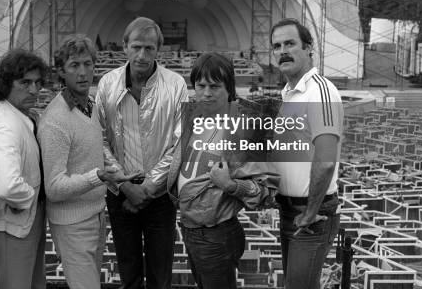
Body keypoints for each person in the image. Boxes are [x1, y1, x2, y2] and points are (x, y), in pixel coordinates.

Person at [167, 53, 278, 289]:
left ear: (229, 89)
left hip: (217, 233)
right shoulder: (189, 121)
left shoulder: (245, 130)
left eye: (215, 86)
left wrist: (230, 185)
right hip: (191, 228)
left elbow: (265, 193)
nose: (206, 93)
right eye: (201, 85)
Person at [96, 17, 190, 289]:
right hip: (120, 194)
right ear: (124, 47)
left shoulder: (175, 85)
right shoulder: (106, 84)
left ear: (158, 50)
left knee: (161, 274)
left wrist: (147, 188)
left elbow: (180, 142)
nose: (142, 55)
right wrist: (126, 185)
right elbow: (99, 140)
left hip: (160, 197)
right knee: (129, 271)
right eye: (136, 47)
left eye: (149, 48)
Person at [39, 34, 137, 289]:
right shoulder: (55, 120)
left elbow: (94, 154)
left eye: (87, 64)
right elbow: (54, 187)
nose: (83, 73)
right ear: (61, 71)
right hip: (72, 224)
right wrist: (100, 176)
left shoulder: (90, 106)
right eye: (74, 66)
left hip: (95, 214)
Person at [270, 18, 343, 289]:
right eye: (276, 46)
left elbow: (325, 161)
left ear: (309, 48)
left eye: (290, 43)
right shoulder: (289, 95)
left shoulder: (320, 92)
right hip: (289, 210)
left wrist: (310, 212)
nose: (282, 51)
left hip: (312, 213)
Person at [0, 49, 48, 289]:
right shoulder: (6, 125)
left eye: (38, 82)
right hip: (12, 223)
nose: (34, 90)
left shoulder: (20, 116)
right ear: (6, 83)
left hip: (24, 221)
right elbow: (6, 184)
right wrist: (31, 198)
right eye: (25, 82)